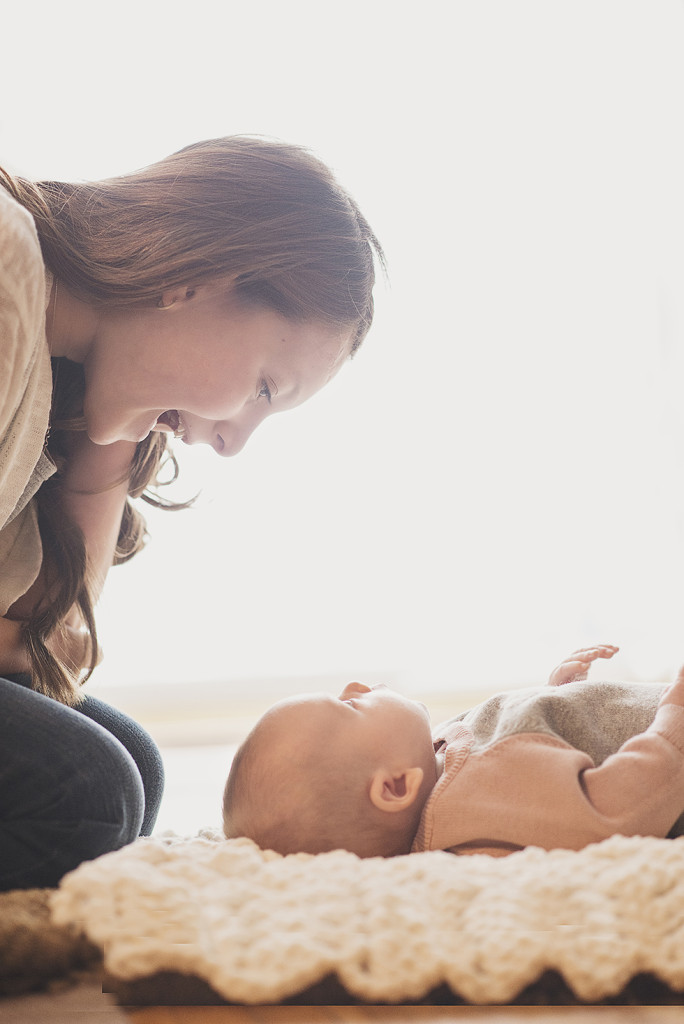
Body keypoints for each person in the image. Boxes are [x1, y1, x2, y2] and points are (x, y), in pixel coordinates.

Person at [0, 136, 383, 889]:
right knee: (84, 788)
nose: (234, 440)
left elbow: (44, 653)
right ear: (196, 281)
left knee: (125, 762)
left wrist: (107, 443)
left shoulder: (58, 371)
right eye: (265, 388)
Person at [222, 644, 684, 858]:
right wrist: (675, 723)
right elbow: (617, 811)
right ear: (397, 785)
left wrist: (557, 699)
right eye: (350, 704)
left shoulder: (438, 761)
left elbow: (537, 762)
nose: (355, 684)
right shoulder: (475, 799)